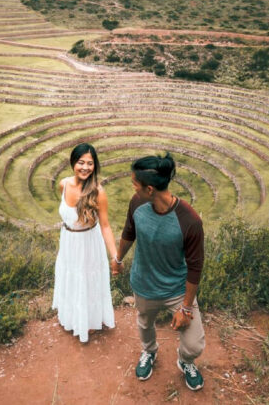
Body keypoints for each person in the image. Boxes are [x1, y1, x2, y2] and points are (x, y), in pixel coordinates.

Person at [111, 152, 205, 391]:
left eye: (135, 184)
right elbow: (128, 233)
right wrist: (118, 259)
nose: (133, 188)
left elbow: (195, 268)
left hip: (176, 289)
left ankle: (185, 361)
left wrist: (185, 307)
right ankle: (149, 351)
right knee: (144, 323)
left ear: (150, 189)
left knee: (194, 345)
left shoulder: (189, 220)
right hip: (144, 284)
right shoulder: (137, 203)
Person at [52, 143, 119, 343]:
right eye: (81, 162)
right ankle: (72, 318)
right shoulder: (63, 184)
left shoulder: (98, 192)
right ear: (73, 163)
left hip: (89, 242)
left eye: (90, 163)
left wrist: (115, 256)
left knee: (87, 280)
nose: (85, 167)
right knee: (71, 277)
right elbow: (68, 214)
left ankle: (89, 321)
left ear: (95, 166)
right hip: (68, 241)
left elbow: (105, 226)